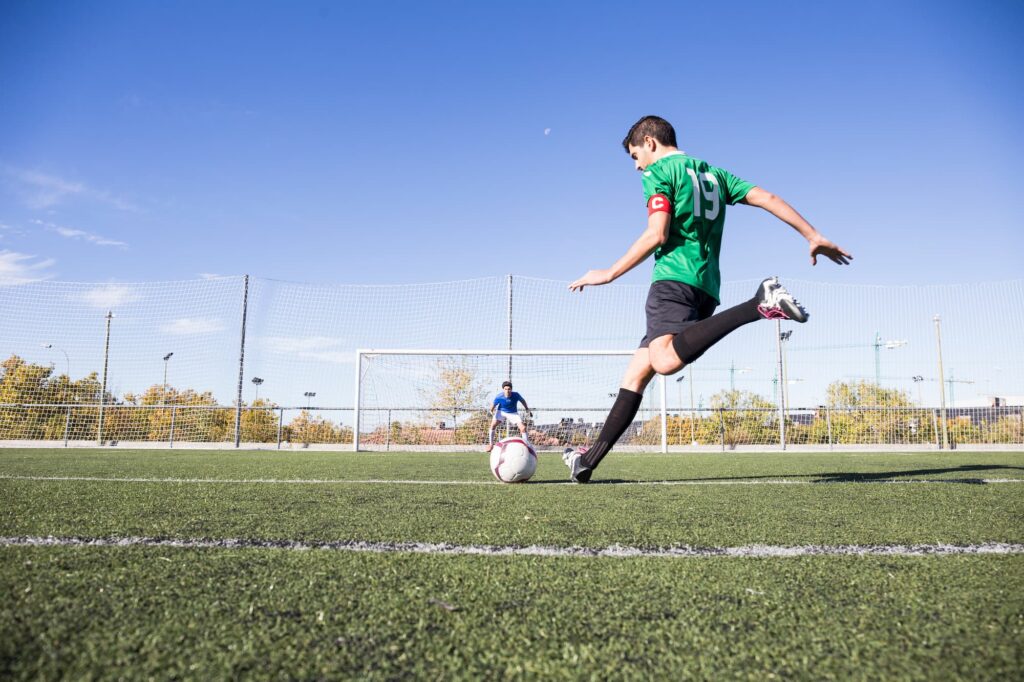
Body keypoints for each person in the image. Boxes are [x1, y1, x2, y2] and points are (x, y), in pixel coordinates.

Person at [562, 115, 852, 482]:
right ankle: (587, 461)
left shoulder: (659, 172)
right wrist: (812, 234)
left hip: (672, 281)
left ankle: (757, 304)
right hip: (706, 287)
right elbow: (767, 198)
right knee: (637, 372)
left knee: (665, 361)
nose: (637, 166)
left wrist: (607, 273)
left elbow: (657, 234)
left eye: (635, 156)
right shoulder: (713, 174)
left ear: (650, 142)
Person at [487, 381, 531, 451]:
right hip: (501, 412)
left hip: (513, 413)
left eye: (509, 389)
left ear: (511, 389)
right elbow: (493, 404)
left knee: (523, 428)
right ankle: (491, 445)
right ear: (503, 389)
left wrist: (527, 409)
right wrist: (491, 411)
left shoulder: (516, 395)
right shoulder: (499, 396)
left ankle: (527, 446)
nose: (507, 390)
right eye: (505, 389)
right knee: (492, 425)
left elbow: (523, 401)